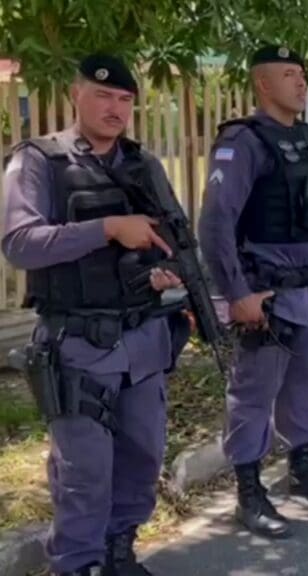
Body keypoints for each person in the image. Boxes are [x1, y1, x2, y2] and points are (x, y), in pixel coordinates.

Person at [2, 54, 194, 576]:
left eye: (126, 100)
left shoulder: (143, 164)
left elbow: (162, 242)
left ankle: (118, 554)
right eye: (103, 96)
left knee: (143, 460)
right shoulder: (39, 160)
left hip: (143, 341)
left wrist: (161, 273)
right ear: (75, 95)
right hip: (79, 345)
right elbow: (19, 244)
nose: (115, 109)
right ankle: (78, 565)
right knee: (85, 473)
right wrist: (108, 227)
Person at [198, 44, 308, 540]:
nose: (301, 82)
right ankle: (249, 492)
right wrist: (236, 293)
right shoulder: (243, 142)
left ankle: (302, 466)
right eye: (290, 74)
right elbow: (215, 223)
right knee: (254, 393)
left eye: (303, 73)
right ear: (263, 84)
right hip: (266, 295)